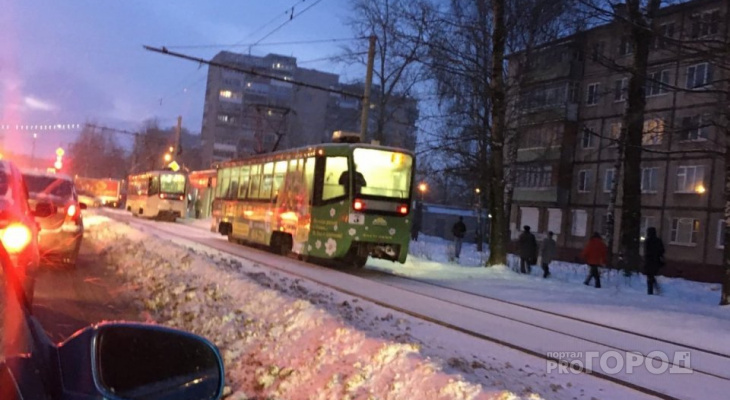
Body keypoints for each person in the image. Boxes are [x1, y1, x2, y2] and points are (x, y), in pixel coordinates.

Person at [644, 227, 665, 295]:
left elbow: (646, 252)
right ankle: (655, 288)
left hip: (649, 261)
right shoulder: (658, 240)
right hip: (656, 261)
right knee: (651, 276)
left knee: (650, 276)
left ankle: (650, 291)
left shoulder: (648, 241)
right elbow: (662, 250)